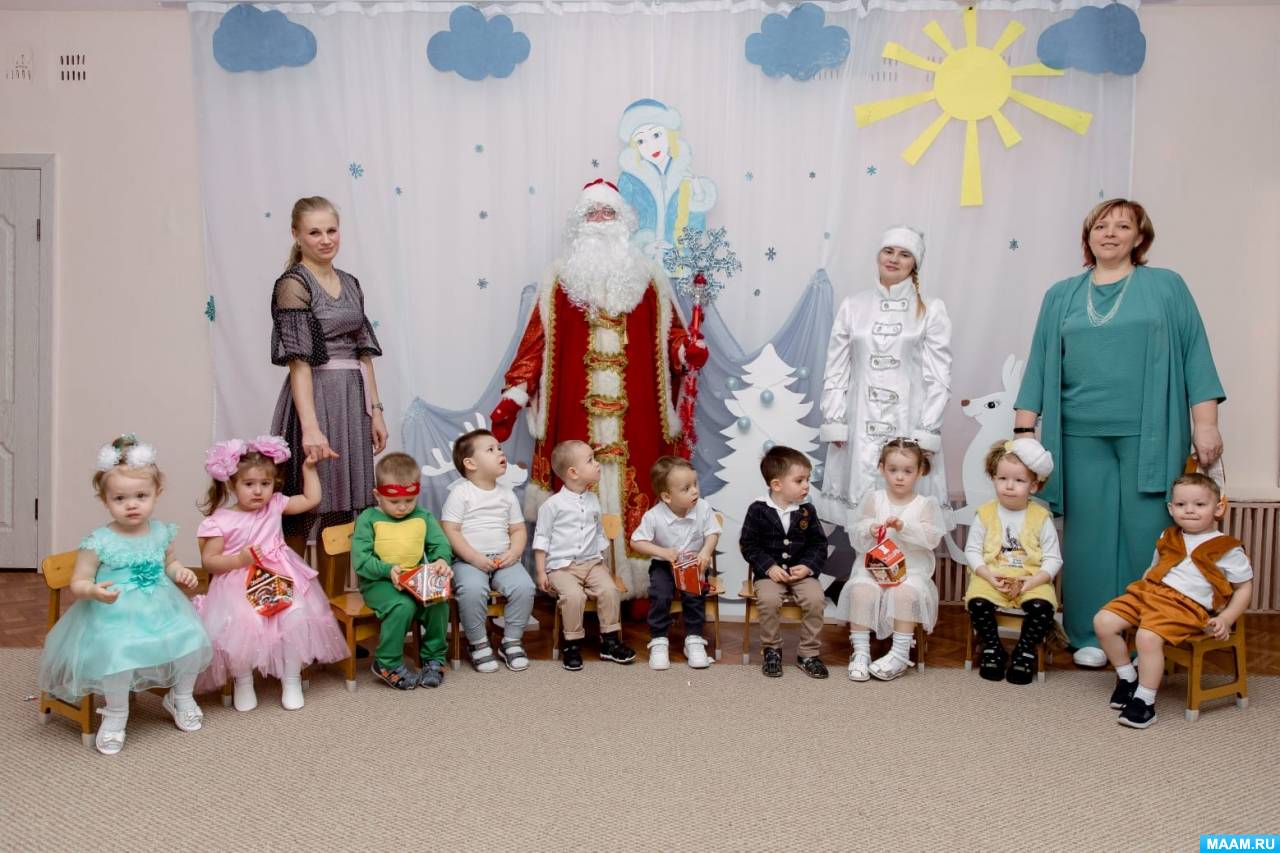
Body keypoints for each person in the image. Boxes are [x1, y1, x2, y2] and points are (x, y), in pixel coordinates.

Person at [1014, 199, 1225, 667]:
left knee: (1147, 532)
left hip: (1152, 431)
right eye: (1101, 226)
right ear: (1088, 236)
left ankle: (1142, 631)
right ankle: (1090, 633)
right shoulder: (1062, 295)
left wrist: (1206, 424)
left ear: (1139, 237)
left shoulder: (1166, 286)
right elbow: (1040, 362)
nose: (1110, 233)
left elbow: (1196, 354)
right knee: (1088, 536)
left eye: (1122, 226)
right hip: (1079, 432)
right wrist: (1024, 430)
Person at [489, 179, 707, 597]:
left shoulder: (649, 278)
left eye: (609, 213)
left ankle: (643, 587)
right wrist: (514, 394)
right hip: (576, 412)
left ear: (623, 221)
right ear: (580, 224)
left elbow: (672, 336)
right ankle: (577, 583)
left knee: (640, 491)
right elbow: (535, 342)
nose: (602, 220)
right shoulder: (558, 280)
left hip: (638, 413)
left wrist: (687, 350)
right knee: (576, 497)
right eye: (593, 213)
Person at [38, 435, 212, 755]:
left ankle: (180, 696)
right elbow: (79, 581)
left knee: (192, 635)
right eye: (120, 498)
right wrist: (92, 590)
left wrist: (180, 572)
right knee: (118, 651)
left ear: (157, 494)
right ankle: (116, 713)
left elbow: (169, 563)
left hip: (161, 606)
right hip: (113, 612)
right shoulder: (99, 541)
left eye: (141, 496)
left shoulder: (161, 532)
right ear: (105, 500)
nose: (132, 504)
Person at [195, 436, 348, 711]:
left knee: (295, 614)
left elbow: (312, 499)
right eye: (249, 484)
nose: (258, 491)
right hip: (237, 581)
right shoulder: (220, 520)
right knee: (244, 622)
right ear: (232, 484)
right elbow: (209, 561)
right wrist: (239, 559)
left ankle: (291, 679)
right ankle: (243, 682)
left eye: (265, 484)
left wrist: (309, 469)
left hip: (280, 575)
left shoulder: (275, 505)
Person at [270, 196, 388, 548]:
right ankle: (294, 578)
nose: (325, 240)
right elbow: (299, 363)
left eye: (331, 231)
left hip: (353, 399)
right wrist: (310, 427)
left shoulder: (351, 283)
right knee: (310, 494)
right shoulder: (293, 284)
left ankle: (334, 581)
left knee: (344, 501)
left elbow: (364, 353)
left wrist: (376, 411)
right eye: (315, 232)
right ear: (296, 235)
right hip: (316, 397)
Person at [817, 226, 952, 534]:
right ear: (878, 255)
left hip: (909, 422)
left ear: (914, 263)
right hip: (860, 421)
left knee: (907, 517)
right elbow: (836, 367)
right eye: (888, 251)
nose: (894, 259)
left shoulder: (932, 309)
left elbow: (939, 375)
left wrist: (927, 429)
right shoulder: (853, 305)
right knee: (863, 518)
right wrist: (835, 418)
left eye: (904, 254)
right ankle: (864, 565)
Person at [1094, 473, 1253, 728]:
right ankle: (1128, 678)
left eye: (1199, 504)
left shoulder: (1227, 548)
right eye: (1181, 504)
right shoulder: (1168, 536)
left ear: (1218, 508)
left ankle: (1145, 702)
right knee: (1103, 621)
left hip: (1187, 606)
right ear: (1171, 508)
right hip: (1150, 593)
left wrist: (1226, 617)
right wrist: (1143, 591)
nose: (1189, 510)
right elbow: (1154, 568)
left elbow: (1244, 588)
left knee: (1147, 637)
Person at [962, 438, 1061, 685]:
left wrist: (1034, 581)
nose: (1009, 486)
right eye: (1002, 478)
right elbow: (972, 550)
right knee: (977, 602)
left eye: (1019, 480)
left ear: (1034, 486)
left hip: (1031, 579)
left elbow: (1053, 558)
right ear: (994, 478)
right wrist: (987, 575)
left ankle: (1024, 651)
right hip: (992, 576)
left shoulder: (1041, 518)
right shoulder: (985, 514)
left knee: (1042, 607)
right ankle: (992, 647)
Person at [532, 440, 637, 671]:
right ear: (573, 472)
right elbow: (542, 538)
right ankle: (572, 644)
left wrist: (602, 562)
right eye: (591, 460)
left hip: (591, 563)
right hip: (562, 567)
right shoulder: (552, 505)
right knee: (574, 596)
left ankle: (610, 642)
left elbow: (597, 532)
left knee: (609, 590)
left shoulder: (593, 500)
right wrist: (541, 571)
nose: (597, 464)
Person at [352, 452, 454, 690]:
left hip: (415, 579)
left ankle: (433, 657)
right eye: (394, 502)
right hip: (379, 582)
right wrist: (387, 570)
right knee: (403, 606)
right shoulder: (368, 519)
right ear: (378, 495)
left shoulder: (423, 517)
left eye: (409, 500)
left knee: (439, 602)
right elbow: (361, 560)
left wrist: (441, 560)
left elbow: (440, 544)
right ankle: (386, 662)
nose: (402, 507)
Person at [846, 438, 943, 682]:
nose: (900, 477)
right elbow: (857, 530)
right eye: (893, 470)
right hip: (875, 567)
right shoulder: (874, 499)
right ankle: (861, 652)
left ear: (919, 472)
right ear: (882, 469)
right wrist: (870, 527)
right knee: (860, 590)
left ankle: (899, 655)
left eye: (907, 471)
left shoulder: (925, 504)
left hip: (910, 569)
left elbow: (931, 538)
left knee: (904, 593)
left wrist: (904, 527)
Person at [440, 429, 536, 674]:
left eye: (499, 448)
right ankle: (478, 643)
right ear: (470, 464)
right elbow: (450, 530)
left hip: (504, 559)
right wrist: (473, 557)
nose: (500, 453)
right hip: (468, 561)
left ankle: (511, 641)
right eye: (491, 450)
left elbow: (518, 529)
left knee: (525, 587)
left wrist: (514, 553)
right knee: (472, 590)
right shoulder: (461, 493)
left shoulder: (507, 494)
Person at [738, 446, 829, 679]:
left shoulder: (807, 511)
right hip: (769, 574)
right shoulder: (758, 510)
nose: (806, 485)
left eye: (807, 479)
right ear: (777, 485)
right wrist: (769, 567)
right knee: (768, 600)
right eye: (799, 480)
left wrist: (807, 566)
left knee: (816, 599)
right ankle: (772, 650)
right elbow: (748, 545)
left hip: (802, 574)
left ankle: (808, 653)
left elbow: (819, 544)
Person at [630, 455, 722, 670]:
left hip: (692, 563)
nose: (695, 491)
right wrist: (662, 552)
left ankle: (694, 639)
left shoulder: (703, 508)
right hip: (664, 565)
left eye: (695, 484)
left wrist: (706, 552)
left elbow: (713, 532)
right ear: (667, 496)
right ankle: (659, 640)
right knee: (660, 595)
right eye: (686, 488)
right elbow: (636, 542)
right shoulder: (654, 516)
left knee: (694, 595)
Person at [615, 98, 718, 260]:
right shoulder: (630, 181)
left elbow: (695, 227)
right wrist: (642, 246)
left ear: (669, 134)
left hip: (678, 262)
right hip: (645, 262)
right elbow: (619, 223)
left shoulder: (685, 176)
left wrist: (698, 195)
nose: (651, 146)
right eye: (641, 141)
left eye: (656, 135)